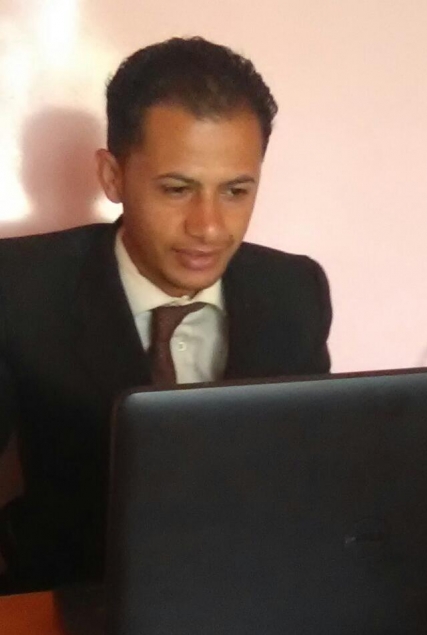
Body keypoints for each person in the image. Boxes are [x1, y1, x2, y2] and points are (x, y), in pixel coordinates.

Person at [0, 37, 332, 592]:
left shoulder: (294, 291)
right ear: (113, 177)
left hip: (254, 592)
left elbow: (314, 472)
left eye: (236, 191)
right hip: (74, 597)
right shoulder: (20, 287)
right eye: (178, 189)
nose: (210, 227)